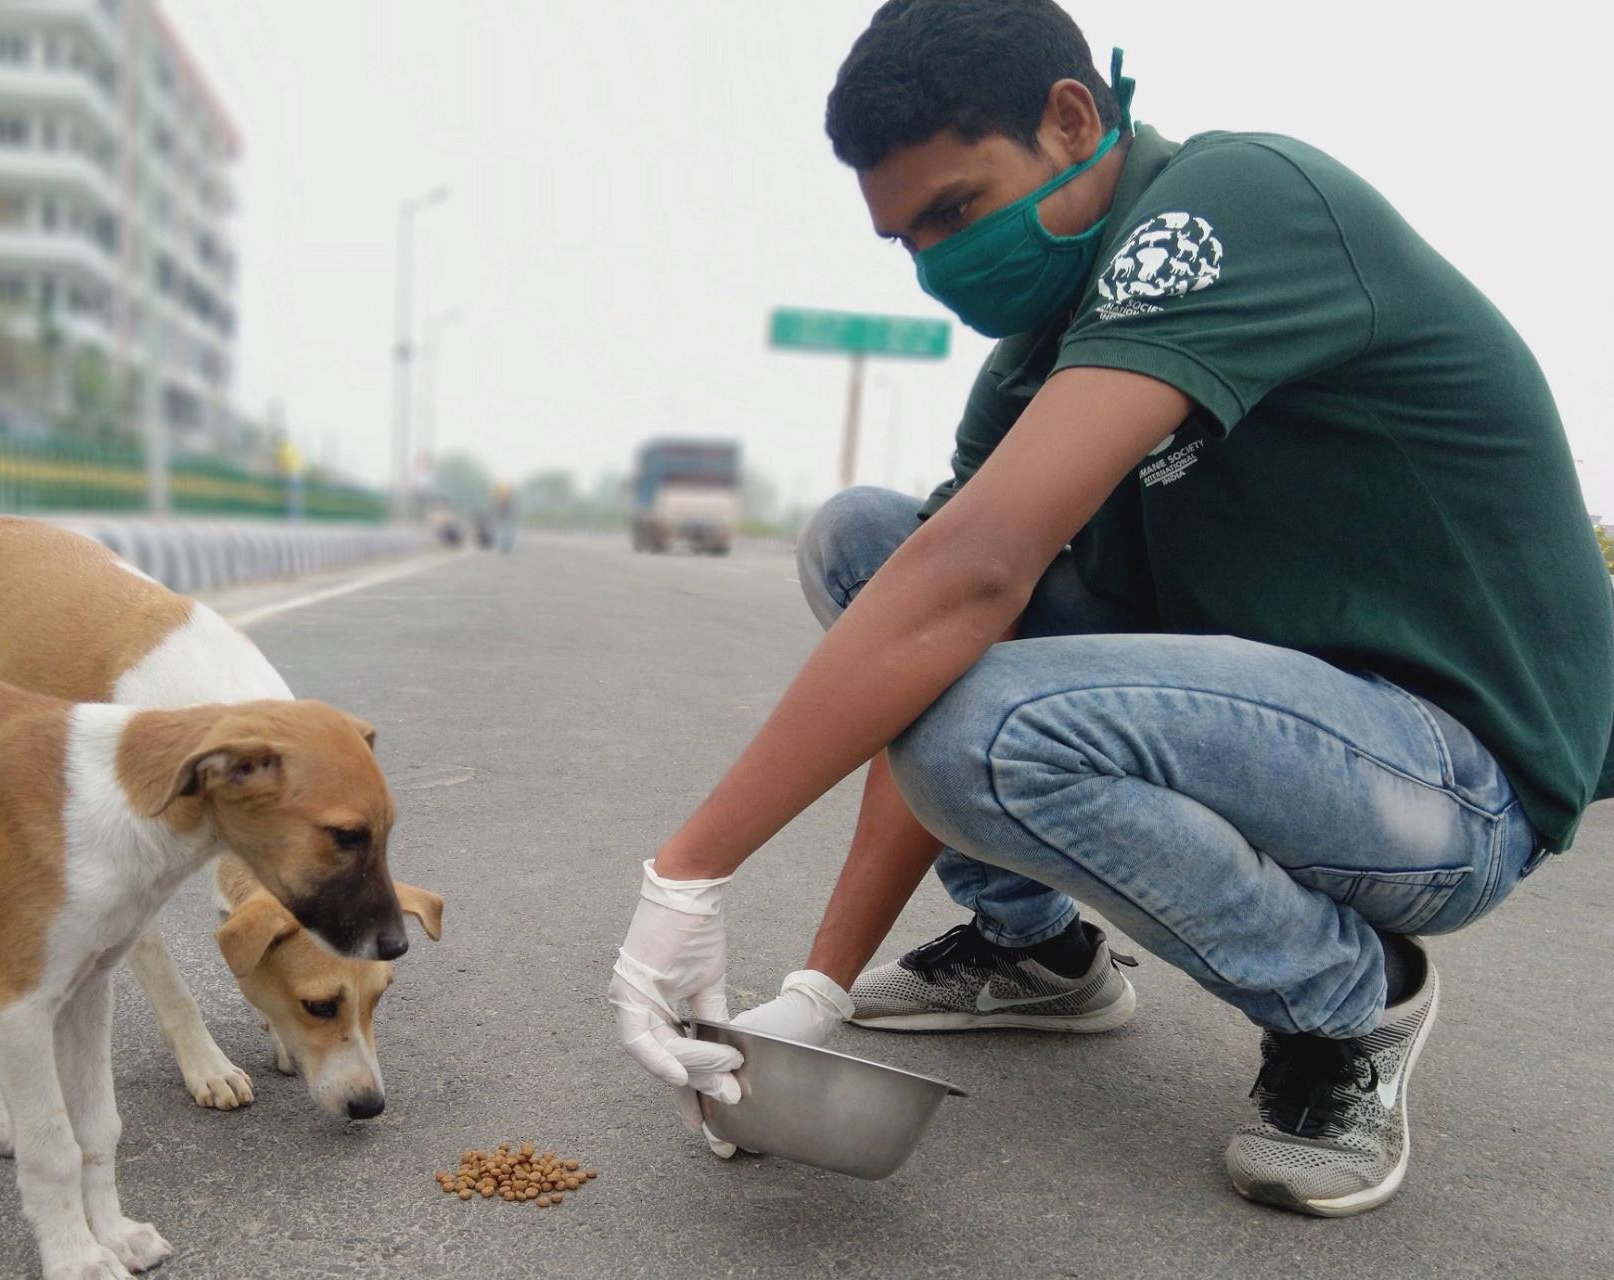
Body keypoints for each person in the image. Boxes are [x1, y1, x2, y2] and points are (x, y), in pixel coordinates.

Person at [609, 0, 1612, 1218]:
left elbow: (975, 578)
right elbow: (928, 604)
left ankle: (1351, 999)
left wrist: (689, 874)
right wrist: (812, 995)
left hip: (1449, 774)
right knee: (873, 544)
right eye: (906, 239)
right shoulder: (1041, 354)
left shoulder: (1231, 204)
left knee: (980, 718)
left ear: (1073, 119)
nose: (937, 264)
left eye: (957, 210)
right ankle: (1038, 952)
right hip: (1267, 723)